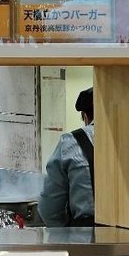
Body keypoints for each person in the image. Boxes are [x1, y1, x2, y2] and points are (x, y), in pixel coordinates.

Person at [38, 87, 95, 227]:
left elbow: (49, 209)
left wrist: (66, 233)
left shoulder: (71, 142)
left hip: (84, 240)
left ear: (85, 117)